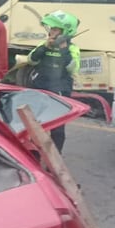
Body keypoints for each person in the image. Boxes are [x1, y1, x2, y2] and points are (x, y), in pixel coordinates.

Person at [27, 10, 81, 152]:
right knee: (36, 125)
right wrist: (44, 47)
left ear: (65, 32)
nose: (51, 32)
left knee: (57, 128)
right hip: (41, 88)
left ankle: (55, 158)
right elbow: (31, 60)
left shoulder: (72, 49)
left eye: (55, 29)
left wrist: (64, 51)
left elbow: (72, 68)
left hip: (60, 92)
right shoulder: (44, 44)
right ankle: (34, 156)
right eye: (51, 28)